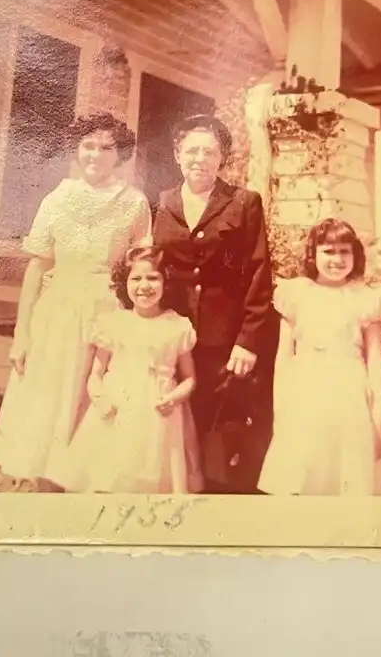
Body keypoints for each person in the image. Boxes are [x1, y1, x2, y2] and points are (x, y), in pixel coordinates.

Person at [0, 112, 152, 490]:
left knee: (95, 401)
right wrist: (21, 335)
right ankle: (45, 487)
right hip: (58, 314)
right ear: (76, 150)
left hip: (107, 314)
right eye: (88, 146)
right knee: (50, 401)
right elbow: (37, 268)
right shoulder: (57, 200)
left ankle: (83, 490)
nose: (95, 154)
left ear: (120, 153)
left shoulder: (134, 203)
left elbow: (140, 267)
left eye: (106, 148)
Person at [257, 217, 381, 496]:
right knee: (306, 473)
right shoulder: (297, 295)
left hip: (352, 395)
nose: (337, 259)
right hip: (306, 394)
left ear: (355, 254)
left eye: (344, 251)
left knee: (352, 472)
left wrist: (379, 421)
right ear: (313, 254)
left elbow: (375, 362)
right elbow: (284, 358)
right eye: (328, 251)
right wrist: (280, 413)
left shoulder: (365, 298)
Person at [152, 114, 277, 493]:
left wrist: (248, 340)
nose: (200, 159)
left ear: (222, 157)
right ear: (177, 154)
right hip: (171, 334)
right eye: (192, 151)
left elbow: (259, 273)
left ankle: (213, 501)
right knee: (171, 419)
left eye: (210, 152)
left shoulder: (243, 202)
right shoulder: (162, 202)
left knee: (215, 428)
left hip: (223, 341)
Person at [50, 246, 202, 494]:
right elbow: (96, 373)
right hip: (117, 409)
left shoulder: (177, 325)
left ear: (166, 283)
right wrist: (99, 397)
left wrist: (175, 397)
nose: (144, 286)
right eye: (136, 278)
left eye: (153, 278)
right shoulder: (114, 323)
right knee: (110, 472)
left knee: (152, 476)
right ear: (124, 283)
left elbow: (190, 378)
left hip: (159, 413)